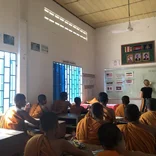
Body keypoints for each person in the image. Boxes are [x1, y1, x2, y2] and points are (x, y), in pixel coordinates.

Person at [24, 112, 92, 156]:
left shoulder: (32, 141)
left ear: (41, 128)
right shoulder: (62, 143)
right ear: (56, 127)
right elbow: (81, 154)